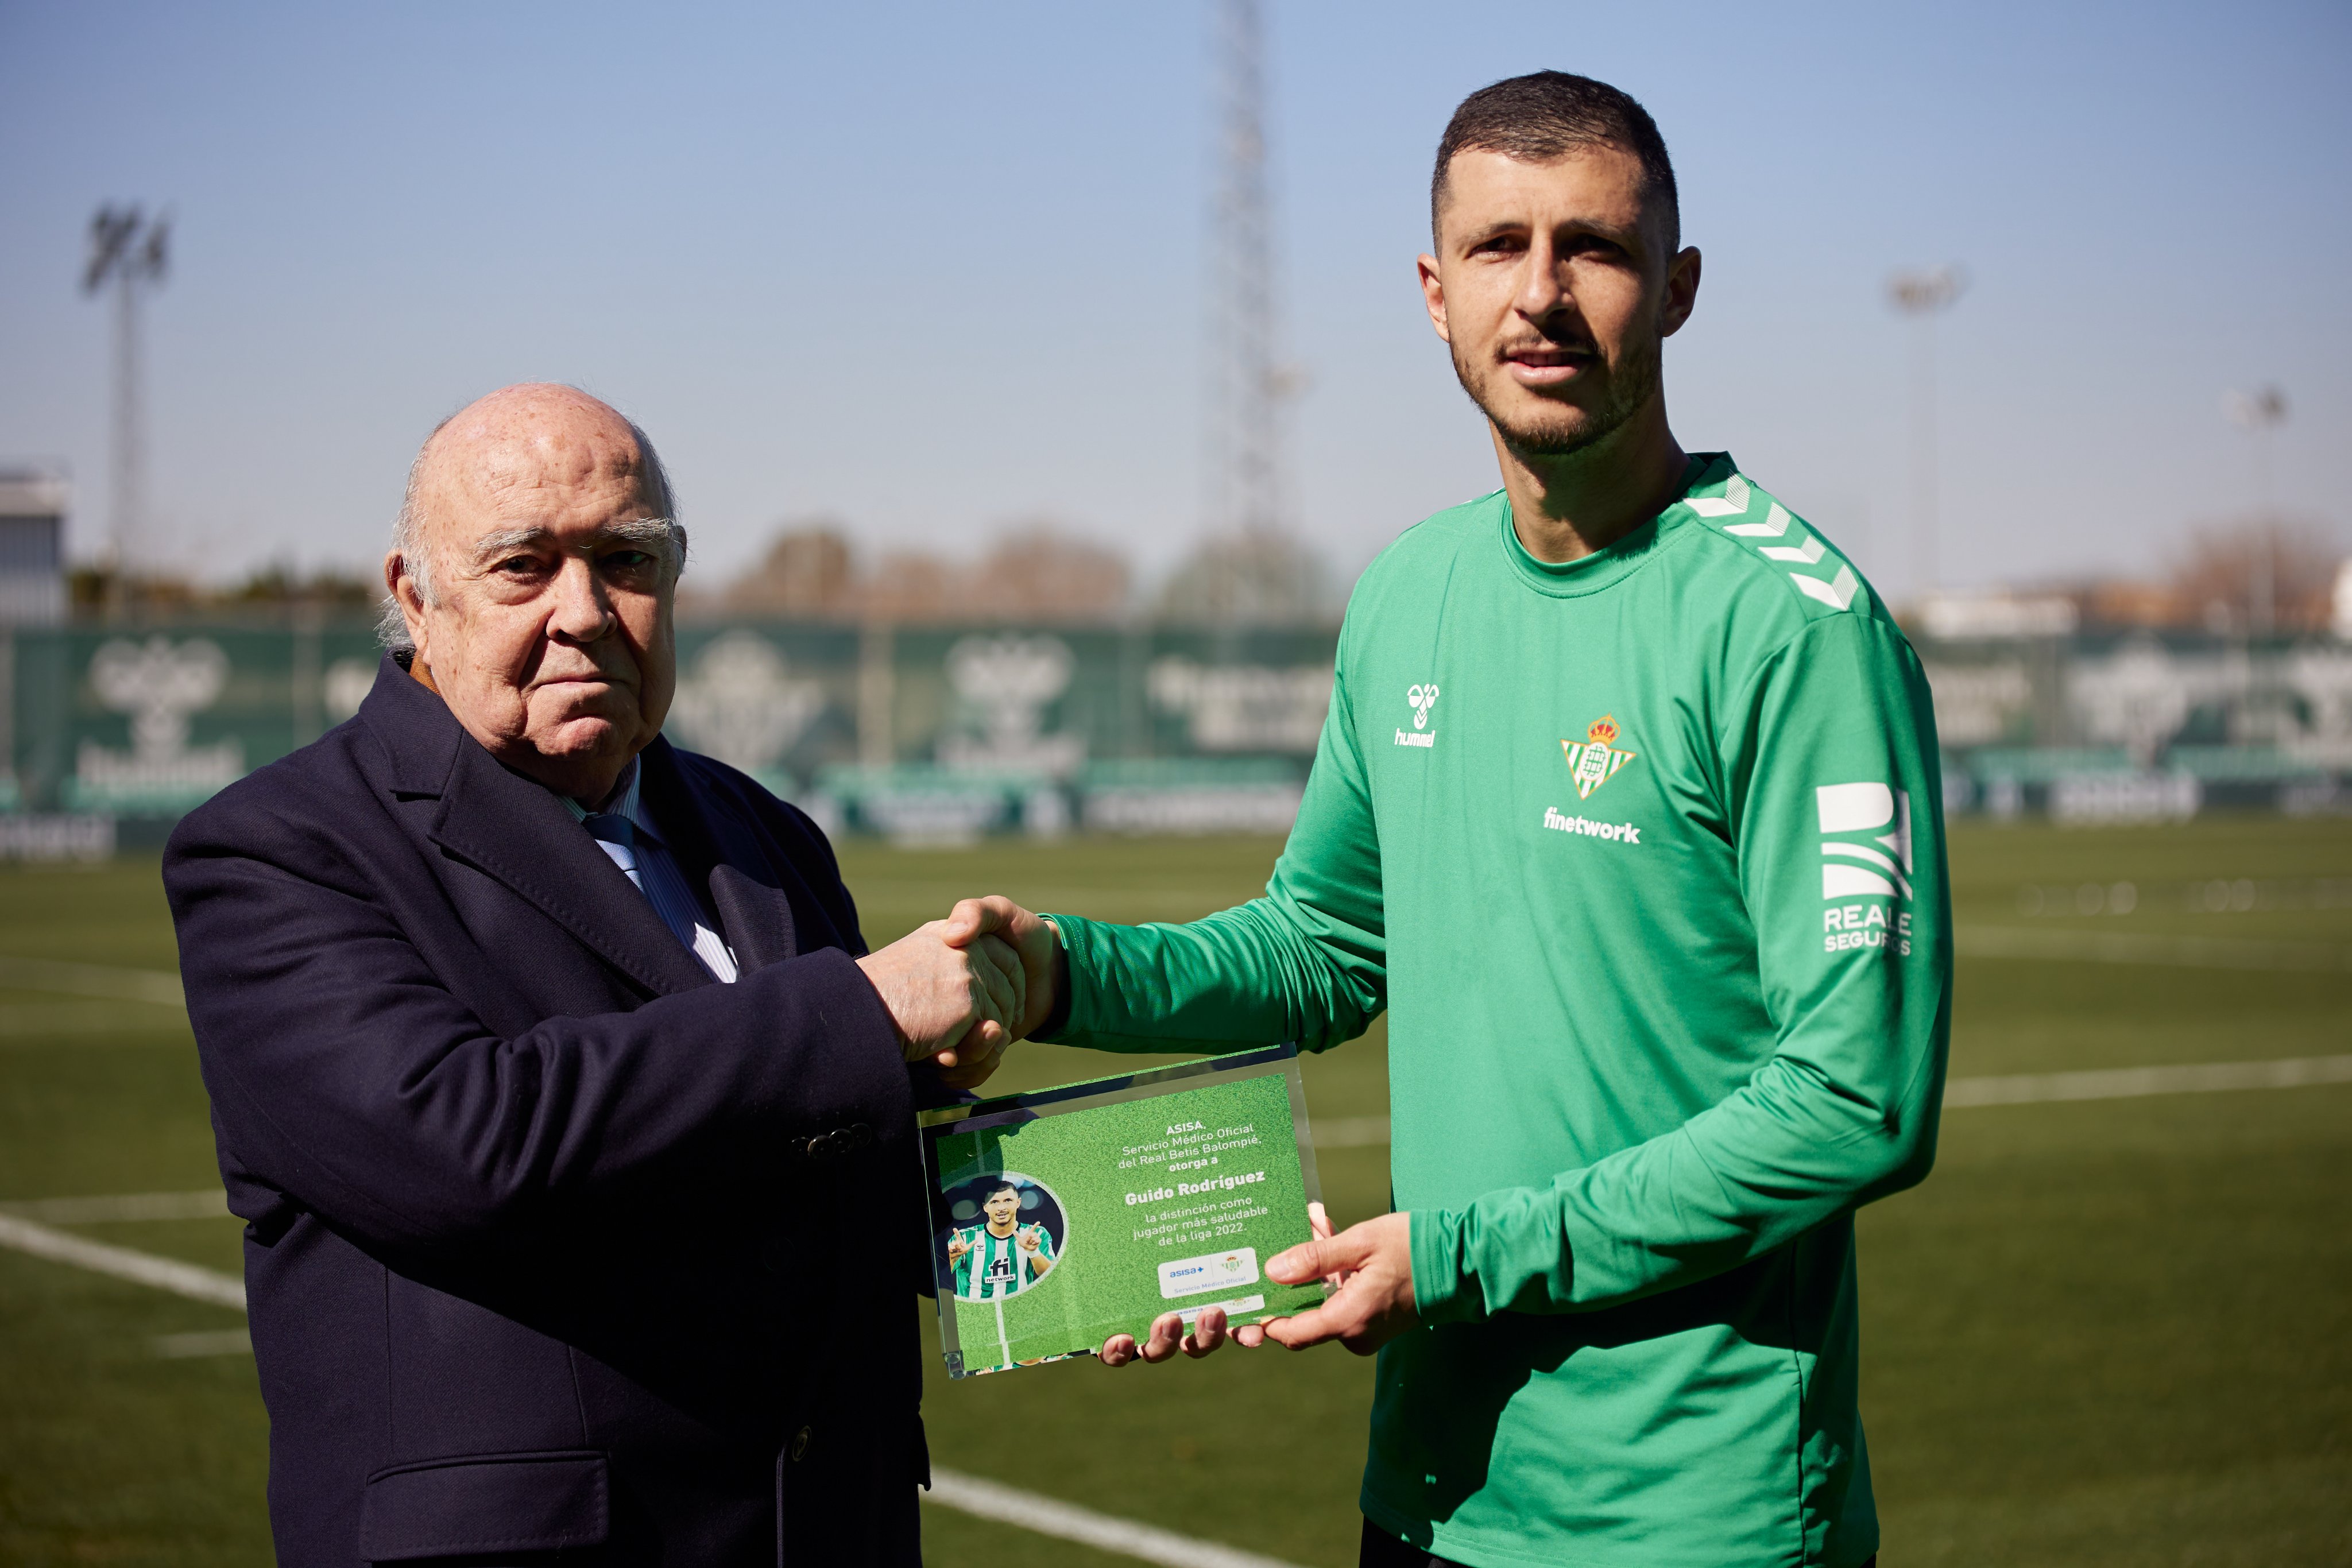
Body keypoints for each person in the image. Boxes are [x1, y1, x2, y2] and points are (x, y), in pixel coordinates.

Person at [945, 71, 1947, 1568]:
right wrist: (1064, 975)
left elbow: (1856, 1099)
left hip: (1695, 1520)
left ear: (1676, 288)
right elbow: (1322, 947)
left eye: (1591, 248)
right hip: (1435, 1491)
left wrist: (1465, 1256)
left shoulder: (1796, 628)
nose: (1540, 295)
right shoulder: (1407, 594)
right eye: (1496, 248)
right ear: (1434, 293)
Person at [163, 384, 1019, 1567]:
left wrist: (1124, 1240)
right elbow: (465, 1143)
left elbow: (823, 1160)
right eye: (523, 566)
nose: (584, 612)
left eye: (627, 559)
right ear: (415, 597)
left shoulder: (765, 834)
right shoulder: (278, 848)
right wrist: (861, 1010)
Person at [946, 1178, 1058, 1300]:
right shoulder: (964, 1238)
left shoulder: (1036, 1234)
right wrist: (952, 1258)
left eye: (1008, 1200)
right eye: (994, 1202)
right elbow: (939, 1278)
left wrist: (1033, 1252)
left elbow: (1050, 1276)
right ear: (985, 1207)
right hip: (976, 1309)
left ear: (1018, 1203)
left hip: (1019, 1306)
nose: (1001, 1208)